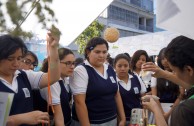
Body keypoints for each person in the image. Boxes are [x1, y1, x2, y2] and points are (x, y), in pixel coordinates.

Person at [0, 32, 60, 126]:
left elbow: (53, 76)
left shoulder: (23, 75)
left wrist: (53, 49)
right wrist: (21, 119)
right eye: (11, 59)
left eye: (19, 58)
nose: (16, 63)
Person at [70, 37, 126, 126]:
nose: (102, 55)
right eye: (97, 52)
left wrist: (122, 118)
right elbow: (79, 102)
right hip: (91, 122)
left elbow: (116, 94)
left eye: (104, 52)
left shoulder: (110, 68)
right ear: (88, 52)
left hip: (112, 120)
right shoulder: (81, 70)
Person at [142, 36, 194, 126]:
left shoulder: (185, 110)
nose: (173, 74)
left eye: (174, 70)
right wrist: (163, 74)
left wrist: (156, 110)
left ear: (189, 70)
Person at [38, 48, 75, 126]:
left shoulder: (65, 79)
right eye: (68, 63)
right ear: (55, 63)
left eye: (73, 63)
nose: (72, 66)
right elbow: (58, 116)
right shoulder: (52, 83)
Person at [151, 48, 184, 123]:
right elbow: (154, 96)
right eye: (162, 59)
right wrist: (162, 113)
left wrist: (168, 113)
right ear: (159, 60)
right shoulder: (155, 74)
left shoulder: (178, 74)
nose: (165, 61)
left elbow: (181, 95)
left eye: (167, 59)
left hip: (175, 108)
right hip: (159, 107)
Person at [113, 53, 146, 126]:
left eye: (125, 66)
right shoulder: (113, 81)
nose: (123, 68)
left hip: (138, 119)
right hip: (121, 120)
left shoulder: (136, 78)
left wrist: (144, 115)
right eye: (119, 66)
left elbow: (144, 97)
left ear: (129, 66)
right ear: (114, 66)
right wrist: (120, 120)